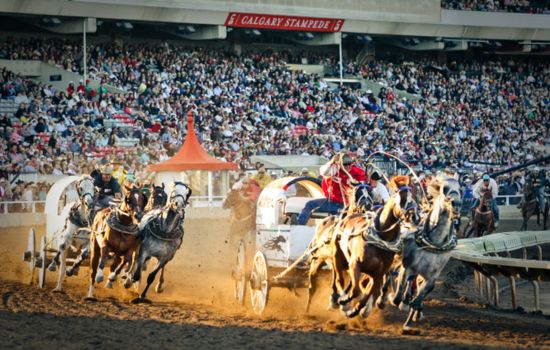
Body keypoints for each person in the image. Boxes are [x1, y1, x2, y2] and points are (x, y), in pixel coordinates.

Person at [297, 154, 365, 225]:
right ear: (340, 164)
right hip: (331, 202)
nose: (348, 166)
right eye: (345, 164)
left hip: (345, 205)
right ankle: (299, 226)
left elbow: (364, 183)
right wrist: (332, 161)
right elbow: (324, 172)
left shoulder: (356, 172)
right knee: (310, 204)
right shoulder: (334, 170)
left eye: (349, 164)